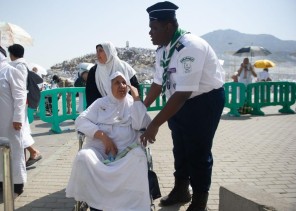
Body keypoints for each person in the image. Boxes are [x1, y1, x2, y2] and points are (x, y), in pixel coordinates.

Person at [140, 2, 225, 211]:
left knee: (198, 150)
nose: (150, 33)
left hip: (204, 101)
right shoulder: (162, 50)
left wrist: (155, 124)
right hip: (177, 102)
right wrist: (140, 108)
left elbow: (183, 93)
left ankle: (200, 201)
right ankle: (181, 190)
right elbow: (158, 83)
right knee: (180, 147)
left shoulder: (190, 47)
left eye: (154, 28)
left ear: (168, 27)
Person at [66, 71, 151, 211]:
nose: (122, 86)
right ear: (109, 86)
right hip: (100, 152)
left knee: (139, 156)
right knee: (83, 157)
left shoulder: (132, 103)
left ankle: (131, 205)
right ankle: (95, 204)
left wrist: (136, 99)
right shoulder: (100, 103)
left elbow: (141, 125)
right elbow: (81, 121)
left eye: (124, 82)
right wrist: (103, 136)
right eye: (117, 83)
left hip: (125, 154)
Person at [7, 44, 43, 167]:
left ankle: (33, 152)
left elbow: (19, 89)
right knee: (21, 129)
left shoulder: (18, 66)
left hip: (18, 103)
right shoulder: (20, 65)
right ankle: (31, 153)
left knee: (18, 129)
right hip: (19, 103)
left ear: (11, 54)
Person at [0, 46, 27, 196]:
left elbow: (20, 97)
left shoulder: (11, 71)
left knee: (14, 150)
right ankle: (1, 181)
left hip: (11, 121)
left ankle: (18, 183)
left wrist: (17, 118)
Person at [85, 41, 140, 107]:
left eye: (101, 50)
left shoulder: (124, 67)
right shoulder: (94, 71)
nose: (98, 54)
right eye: (97, 51)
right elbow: (90, 94)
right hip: (103, 110)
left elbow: (134, 87)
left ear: (109, 51)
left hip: (126, 108)